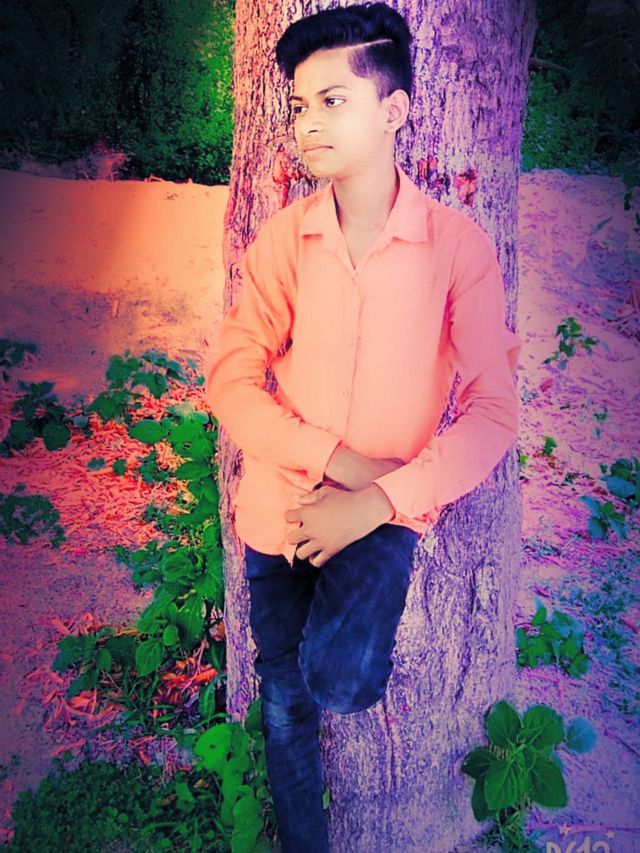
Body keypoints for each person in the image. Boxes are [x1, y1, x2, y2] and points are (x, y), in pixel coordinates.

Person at [204, 3, 523, 850]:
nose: (307, 123)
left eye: (332, 101)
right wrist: (338, 462)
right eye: (299, 106)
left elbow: (494, 411)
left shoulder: (456, 249)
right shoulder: (287, 240)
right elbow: (230, 376)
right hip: (280, 511)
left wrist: (378, 499)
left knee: (342, 682)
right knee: (284, 703)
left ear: (394, 109)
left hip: (386, 511)